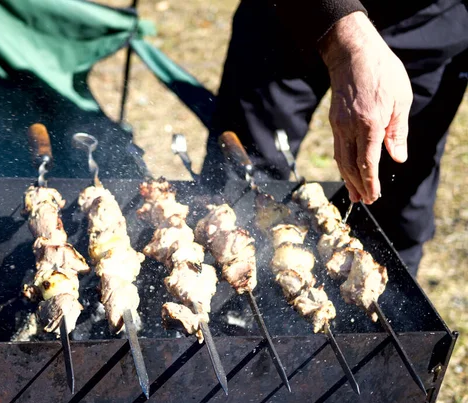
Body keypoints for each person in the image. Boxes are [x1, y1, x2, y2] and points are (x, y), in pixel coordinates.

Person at [201, 0, 468, 278]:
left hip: (433, 25)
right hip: (294, 15)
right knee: (241, 178)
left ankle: (380, 311)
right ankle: (229, 309)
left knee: (396, 209)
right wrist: (346, 33)